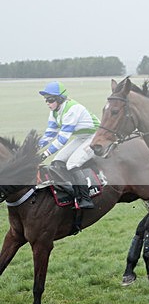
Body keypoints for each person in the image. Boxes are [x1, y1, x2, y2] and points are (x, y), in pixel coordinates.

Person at [37, 81, 100, 209]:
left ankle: (86, 199)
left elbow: (62, 138)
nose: (48, 103)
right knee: (57, 162)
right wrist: (34, 148)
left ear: (60, 98)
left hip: (96, 136)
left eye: (50, 99)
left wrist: (45, 154)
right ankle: (72, 193)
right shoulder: (54, 112)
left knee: (72, 164)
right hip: (81, 137)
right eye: (46, 100)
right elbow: (49, 134)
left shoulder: (72, 109)